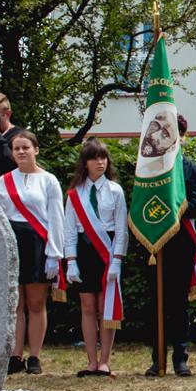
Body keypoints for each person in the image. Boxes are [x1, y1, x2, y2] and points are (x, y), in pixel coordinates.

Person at [0, 130, 66, 376]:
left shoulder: (49, 180)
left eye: (26, 147)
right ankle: (15, 355)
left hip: (38, 244)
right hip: (12, 243)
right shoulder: (4, 181)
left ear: (36, 149)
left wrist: (55, 254)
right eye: (17, 148)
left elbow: (57, 218)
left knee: (36, 304)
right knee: (16, 303)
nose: (21, 152)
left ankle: (34, 356)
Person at [138, 115, 196, 377]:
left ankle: (180, 358)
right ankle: (157, 359)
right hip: (155, 242)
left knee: (179, 304)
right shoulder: (149, 168)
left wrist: (172, 207)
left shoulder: (191, 169)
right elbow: (141, 204)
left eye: (179, 134)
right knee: (156, 304)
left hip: (181, 242)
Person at [62, 139, 126, 377]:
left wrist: (117, 261)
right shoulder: (75, 193)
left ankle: (104, 360)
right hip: (84, 251)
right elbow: (69, 230)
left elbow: (121, 229)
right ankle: (91, 360)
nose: (100, 162)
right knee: (87, 306)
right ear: (85, 162)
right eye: (94, 158)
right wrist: (71, 261)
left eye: (103, 158)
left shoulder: (115, 190)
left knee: (105, 306)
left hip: (108, 251)